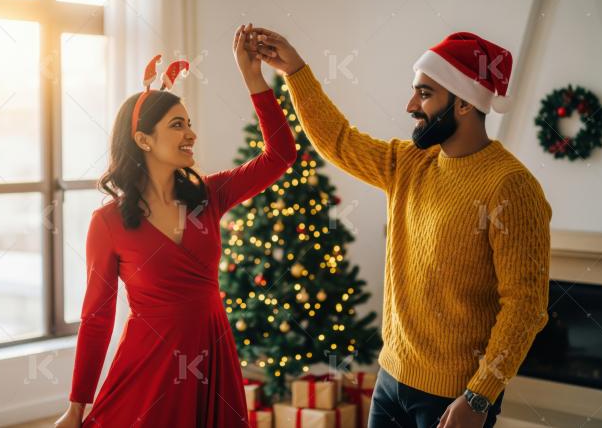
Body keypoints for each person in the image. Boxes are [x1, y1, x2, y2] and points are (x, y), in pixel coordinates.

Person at [250, 29, 551, 428]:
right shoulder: (408, 163)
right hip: (390, 379)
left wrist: (478, 397)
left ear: (463, 103)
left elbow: (525, 307)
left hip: (454, 398)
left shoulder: (512, 186)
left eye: (425, 94)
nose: (411, 105)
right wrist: (295, 70)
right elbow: (338, 140)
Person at [54, 24, 296, 427]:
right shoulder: (108, 222)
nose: (191, 133)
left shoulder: (210, 195)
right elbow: (97, 319)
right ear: (143, 140)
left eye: (189, 122)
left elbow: (281, 155)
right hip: (150, 368)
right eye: (177, 125)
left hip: (213, 358)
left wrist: (254, 79)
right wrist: (77, 406)